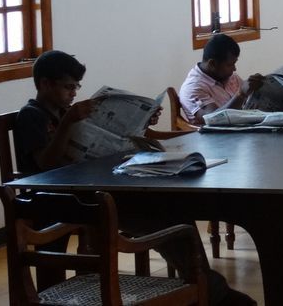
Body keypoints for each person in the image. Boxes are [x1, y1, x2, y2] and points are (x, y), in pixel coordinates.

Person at [16, 51, 254, 306]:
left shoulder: (65, 112)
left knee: (175, 215)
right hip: (60, 199)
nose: (73, 93)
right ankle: (211, 291)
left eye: (76, 87)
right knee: (166, 221)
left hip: (94, 190)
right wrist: (68, 123)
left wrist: (140, 123)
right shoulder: (32, 116)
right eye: (68, 87)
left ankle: (205, 287)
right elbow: (46, 164)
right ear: (45, 84)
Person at [177, 33, 264, 125]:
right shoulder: (193, 88)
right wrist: (240, 94)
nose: (234, 69)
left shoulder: (228, 76)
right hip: (218, 133)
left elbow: (248, 101)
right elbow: (213, 119)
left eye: (234, 63)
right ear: (212, 64)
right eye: (230, 65)